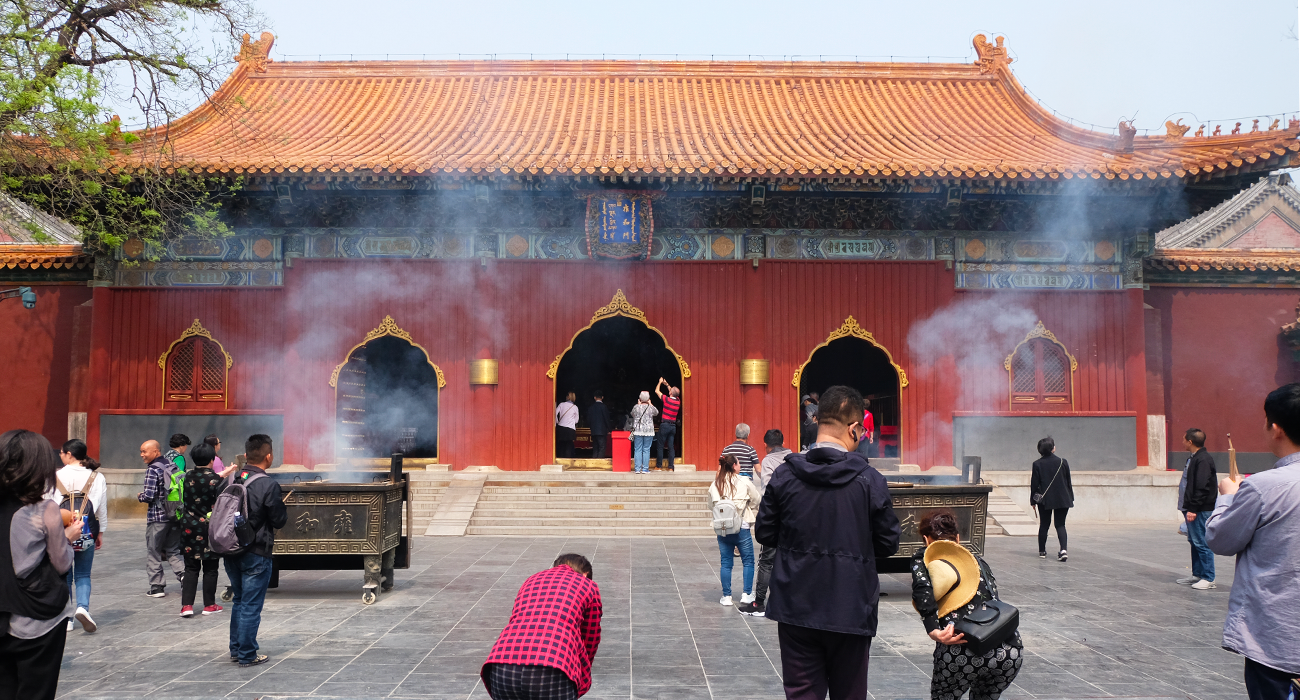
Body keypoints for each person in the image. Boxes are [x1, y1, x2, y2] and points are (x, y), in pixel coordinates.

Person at [755, 385, 901, 700]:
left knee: (802, 693)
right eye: (861, 430)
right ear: (853, 428)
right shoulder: (869, 480)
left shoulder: (784, 476)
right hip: (851, 604)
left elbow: (765, 533)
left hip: (796, 603)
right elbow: (889, 543)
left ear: (818, 422)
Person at [1207, 384, 1300, 699]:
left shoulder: (1262, 487)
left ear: (1276, 428)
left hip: (1278, 637)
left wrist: (1227, 499)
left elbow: (1221, 539)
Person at [0, 430, 84, 700]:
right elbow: (61, 564)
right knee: (36, 691)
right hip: (37, 616)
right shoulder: (44, 509)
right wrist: (68, 538)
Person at [911, 509, 1023, 700]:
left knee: (944, 696)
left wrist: (933, 630)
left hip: (961, 647)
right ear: (958, 538)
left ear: (926, 540)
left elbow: (923, 590)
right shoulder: (977, 560)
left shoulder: (926, 558)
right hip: (1008, 650)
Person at [481, 553, 602, 700]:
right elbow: (590, 637)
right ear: (585, 574)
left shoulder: (531, 580)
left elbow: (517, 617)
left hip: (501, 666)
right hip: (552, 670)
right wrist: (581, 673)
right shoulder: (587, 585)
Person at [224, 434, 287, 667]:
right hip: (256, 551)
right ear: (268, 456)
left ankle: (236, 649)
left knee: (239, 601)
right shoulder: (268, 484)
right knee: (251, 605)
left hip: (231, 548)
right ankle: (247, 654)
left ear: (247, 454)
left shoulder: (233, 478)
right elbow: (279, 520)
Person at [48, 439, 104, 634]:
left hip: (61, 531)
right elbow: (101, 509)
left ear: (69, 454)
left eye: (62, 453)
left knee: (64, 574)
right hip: (87, 530)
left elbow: (47, 506)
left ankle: (67, 618)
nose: (60, 456)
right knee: (83, 574)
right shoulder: (97, 477)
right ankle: (83, 608)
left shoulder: (55, 476)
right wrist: (101, 532)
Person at [739, 429, 790, 617]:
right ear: (783, 442)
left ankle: (759, 602)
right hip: (795, 514)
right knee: (788, 558)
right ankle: (785, 600)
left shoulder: (768, 460)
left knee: (767, 560)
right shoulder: (794, 457)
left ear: (766, 446)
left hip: (775, 515)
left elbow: (769, 487)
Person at [179, 442, 224, 618]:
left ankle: (186, 606)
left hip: (189, 527)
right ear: (212, 460)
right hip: (209, 528)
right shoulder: (216, 480)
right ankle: (209, 604)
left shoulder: (187, 477)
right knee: (210, 568)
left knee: (191, 568)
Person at [710, 454, 761, 606]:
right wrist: (748, 508)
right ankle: (746, 594)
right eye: (739, 464)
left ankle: (726, 596)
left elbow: (711, 506)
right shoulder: (744, 481)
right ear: (734, 466)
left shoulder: (716, 484)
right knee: (748, 561)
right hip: (742, 526)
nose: (740, 466)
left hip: (723, 527)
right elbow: (757, 499)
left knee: (726, 562)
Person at [137, 439, 184, 597]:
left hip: (157, 517)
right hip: (175, 515)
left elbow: (149, 496)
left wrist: (140, 496)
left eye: (145, 451)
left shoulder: (153, 469)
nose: (142, 455)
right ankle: (184, 576)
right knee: (173, 550)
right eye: (141, 451)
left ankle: (157, 587)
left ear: (156, 452)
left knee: (154, 551)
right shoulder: (171, 465)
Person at [1179, 428, 1218, 590]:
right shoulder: (1194, 458)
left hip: (1200, 509)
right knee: (1194, 541)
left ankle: (1208, 578)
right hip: (1192, 507)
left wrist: (1193, 508)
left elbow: (1201, 486)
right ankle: (1198, 574)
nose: (1182, 441)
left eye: (1184, 439)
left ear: (1190, 441)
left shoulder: (1203, 460)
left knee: (1201, 542)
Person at [1029, 437, 1073, 562]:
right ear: (1053, 448)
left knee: (1044, 524)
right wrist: (1070, 498)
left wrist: (1033, 501)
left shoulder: (1037, 464)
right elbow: (1068, 482)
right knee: (1060, 525)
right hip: (1062, 498)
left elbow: (1034, 484)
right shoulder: (1062, 462)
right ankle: (1063, 550)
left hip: (1045, 499)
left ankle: (1042, 551)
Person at [654, 378, 681, 471]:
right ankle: (670, 467)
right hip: (673, 426)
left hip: (665, 425)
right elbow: (673, 392)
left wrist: (660, 382)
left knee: (660, 445)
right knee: (671, 446)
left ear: (670, 393)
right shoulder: (678, 402)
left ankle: (659, 466)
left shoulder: (666, 400)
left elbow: (656, 391)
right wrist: (667, 384)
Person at [628, 391, 658, 474]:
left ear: (640, 398)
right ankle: (645, 469)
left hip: (638, 431)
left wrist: (638, 404)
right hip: (648, 431)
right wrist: (650, 404)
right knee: (646, 450)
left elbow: (632, 414)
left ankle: (637, 469)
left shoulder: (636, 407)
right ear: (648, 399)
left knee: (637, 449)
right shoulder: (651, 408)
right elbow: (656, 413)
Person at [586, 391, 613, 459]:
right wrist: (609, 429)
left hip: (594, 430)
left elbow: (588, 420)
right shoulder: (604, 407)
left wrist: (591, 427)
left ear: (594, 397)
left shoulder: (591, 407)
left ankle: (594, 461)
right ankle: (599, 462)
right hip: (602, 431)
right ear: (602, 397)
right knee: (602, 447)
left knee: (595, 447)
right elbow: (606, 419)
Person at [556, 392, 579, 460]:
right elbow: (577, 420)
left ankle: (560, 459)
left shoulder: (561, 404)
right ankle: (568, 460)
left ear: (568, 397)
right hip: (570, 428)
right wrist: (571, 422)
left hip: (561, 427)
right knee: (569, 445)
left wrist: (557, 422)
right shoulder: (575, 407)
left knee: (561, 444)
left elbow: (555, 413)